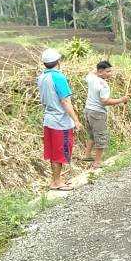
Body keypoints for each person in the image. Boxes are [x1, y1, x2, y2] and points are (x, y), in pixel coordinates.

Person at [37, 48, 82, 191]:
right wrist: (76, 120)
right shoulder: (59, 77)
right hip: (60, 121)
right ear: (58, 61)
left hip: (48, 119)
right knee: (60, 151)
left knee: (53, 152)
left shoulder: (41, 77)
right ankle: (57, 182)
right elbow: (65, 101)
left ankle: (56, 179)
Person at [82, 60, 129, 169]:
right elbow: (105, 101)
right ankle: (97, 162)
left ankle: (87, 156)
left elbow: (91, 72)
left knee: (92, 135)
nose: (110, 73)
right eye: (108, 71)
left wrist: (99, 68)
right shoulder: (103, 84)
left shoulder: (91, 78)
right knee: (101, 136)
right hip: (98, 113)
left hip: (88, 111)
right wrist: (121, 100)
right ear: (100, 72)